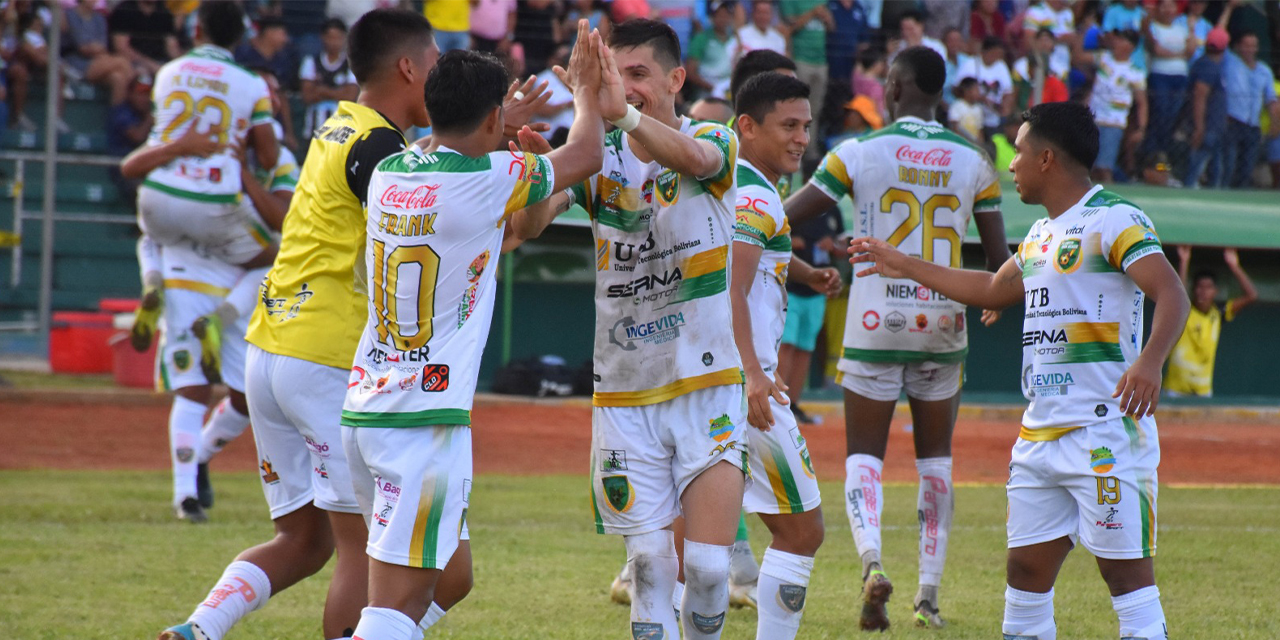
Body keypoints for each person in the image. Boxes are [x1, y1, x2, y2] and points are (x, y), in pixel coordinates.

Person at [848, 100, 1188, 640]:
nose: (1011, 165)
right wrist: (900, 261)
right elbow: (990, 288)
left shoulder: (1115, 218)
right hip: (1039, 437)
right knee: (1024, 574)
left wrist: (1150, 361)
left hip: (1104, 431)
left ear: (1047, 159)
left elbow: (1170, 292)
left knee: (1125, 577)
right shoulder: (1038, 236)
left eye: (1020, 153)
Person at [155, 9, 442, 640]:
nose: (441, 78)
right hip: (325, 356)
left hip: (269, 348)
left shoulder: (338, 128)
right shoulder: (379, 147)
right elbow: (424, 217)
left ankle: (199, 629)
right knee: (363, 549)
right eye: (437, 65)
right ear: (409, 68)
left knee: (303, 538)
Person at [341, 26, 608, 638]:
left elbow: (518, 228)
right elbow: (588, 154)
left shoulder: (389, 171)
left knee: (454, 577)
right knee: (389, 606)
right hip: (422, 424)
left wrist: (521, 159)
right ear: (495, 118)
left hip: (369, 408)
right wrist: (588, 93)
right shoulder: (487, 179)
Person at [783, 46, 1010, 630]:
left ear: (894, 86)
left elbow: (784, 216)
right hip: (942, 323)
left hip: (873, 323)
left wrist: (741, 217)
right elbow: (999, 260)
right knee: (936, 462)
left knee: (865, 455)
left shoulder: (857, 152)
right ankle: (929, 597)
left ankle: (872, 565)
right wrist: (994, 302)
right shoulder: (976, 159)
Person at [549, 18, 747, 640]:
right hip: (625, 393)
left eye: (637, 74)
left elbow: (694, 159)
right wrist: (523, 154)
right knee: (650, 568)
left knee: (711, 569)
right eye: (613, 74)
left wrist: (625, 117)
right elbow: (526, 227)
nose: (624, 87)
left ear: (676, 79)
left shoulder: (712, 138)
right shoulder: (593, 154)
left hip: (706, 383)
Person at [729, 71, 840, 640]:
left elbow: (754, 253)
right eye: (788, 126)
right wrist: (753, 373)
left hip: (695, 379)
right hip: (744, 386)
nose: (801, 138)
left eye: (806, 126)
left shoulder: (733, 183)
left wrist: (804, 271)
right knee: (802, 530)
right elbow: (733, 283)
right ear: (746, 127)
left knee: (692, 540)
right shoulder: (753, 193)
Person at [1164, 246, 1257, 397]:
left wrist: (1234, 266)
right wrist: (1184, 262)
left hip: (1203, 391)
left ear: (1216, 291)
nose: (1203, 292)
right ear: (1193, 289)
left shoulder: (1218, 313)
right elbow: (1178, 296)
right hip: (1176, 390)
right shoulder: (1185, 310)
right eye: (1199, 287)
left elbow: (1251, 295)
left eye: (1208, 287)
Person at [1221, 32, 1280, 189]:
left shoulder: (1264, 70)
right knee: (1229, 164)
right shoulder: (1231, 63)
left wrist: (1275, 123)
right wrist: (1230, 9)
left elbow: (1271, 99)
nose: (1250, 49)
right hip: (1233, 122)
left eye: (1253, 45)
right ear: (1238, 46)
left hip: (1253, 125)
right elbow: (1220, 38)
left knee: (1247, 168)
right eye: (1246, 45)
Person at [1088, 29, 1146, 184]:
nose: (1117, 43)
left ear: (1131, 47)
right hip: (1093, 119)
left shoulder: (1135, 72)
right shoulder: (1103, 59)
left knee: (1104, 168)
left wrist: (1141, 128)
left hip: (1114, 122)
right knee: (1089, 166)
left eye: (1122, 40)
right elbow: (1079, 57)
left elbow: (1141, 102)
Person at [779, 0, 832, 163]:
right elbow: (789, 27)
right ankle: (793, 149)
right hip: (801, 59)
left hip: (821, 61)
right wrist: (812, 13)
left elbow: (831, 28)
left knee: (814, 111)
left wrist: (827, 17)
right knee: (797, 109)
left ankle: (811, 152)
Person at [1143, 0, 1193, 160]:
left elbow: (1190, 51)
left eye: (1171, 6)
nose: (1168, 10)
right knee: (1160, 113)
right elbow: (1157, 50)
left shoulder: (1181, 28)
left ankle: (1163, 152)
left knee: (1173, 115)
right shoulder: (1154, 28)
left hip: (1180, 77)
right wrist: (1179, 54)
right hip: (1160, 75)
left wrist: (1191, 30)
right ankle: (1152, 153)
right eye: (1164, 6)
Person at [299, 18, 358, 143]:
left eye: (338, 37)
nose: (334, 42)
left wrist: (322, 90)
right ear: (323, 37)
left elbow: (350, 97)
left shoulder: (351, 64)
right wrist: (338, 93)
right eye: (330, 37)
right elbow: (307, 96)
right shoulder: (311, 62)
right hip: (314, 130)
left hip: (342, 132)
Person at [66, 0, 136, 106]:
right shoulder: (70, 15)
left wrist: (93, 48)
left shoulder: (99, 18)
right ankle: (136, 96)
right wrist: (92, 48)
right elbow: (81, 46)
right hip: (76, 63)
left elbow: (102, 46)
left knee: (118, 78)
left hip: (99, 60)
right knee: (122, 62)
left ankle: (117, 118)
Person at [1184, 27, 1230, 188]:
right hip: (1207, 127)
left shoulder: (1208, 64)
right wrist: (1199, 127)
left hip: (1214, 127)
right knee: (1198, 166)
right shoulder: (1207, 66)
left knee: (1215, 168)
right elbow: (1200, 96)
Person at [956, 37, 1013, 151]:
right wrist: (979, 98)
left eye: (999, 55)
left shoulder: (1001, 65)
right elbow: (958, 88)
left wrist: (1005, 108)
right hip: (974, 113)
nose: (996, 58)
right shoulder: (971, 64)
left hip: (994, 115)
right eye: (994, 54)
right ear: (985, 51)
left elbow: (1008, 91)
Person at [108, 0, 180, 75]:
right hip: (133, 64)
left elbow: (172, 48)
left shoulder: (163, 11)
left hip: (160, 62)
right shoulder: (124, 10)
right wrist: (151, 65)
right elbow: (122, 48)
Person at [686, 0, 737, 99]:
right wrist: (714, 88)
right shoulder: (701, 39)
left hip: (728, 93)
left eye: (726, 15)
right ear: (712, 17)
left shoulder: (734, 40)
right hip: (705, 94)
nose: (723, 19)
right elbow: (690, 72)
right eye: (720, 15)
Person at [949, 77, 985, 144]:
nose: (979, 93)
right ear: (967, 91)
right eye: (976, 90)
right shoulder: (957, 106)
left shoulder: (978, 108)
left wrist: (981, 145)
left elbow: (980, 130)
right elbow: (955, 128)